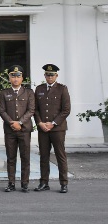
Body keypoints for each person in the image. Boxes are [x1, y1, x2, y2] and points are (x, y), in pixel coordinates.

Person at [34, 64, 71, 193]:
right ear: (44, 76)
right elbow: (35, 109)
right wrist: (40, 123)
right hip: (43, 129)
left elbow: (66, 110)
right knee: (43, 156)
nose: (50, 77)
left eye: (52, 75)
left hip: (57, 129)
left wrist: (53, 123)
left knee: (60, 156)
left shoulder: (62, 89)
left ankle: (64, 183)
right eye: (47, 75)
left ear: (56, 76)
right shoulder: (39, 89)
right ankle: (44, 182)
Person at [0, 65, 35, 193]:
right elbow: (2, 110)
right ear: (9, 78)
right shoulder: (4, 93)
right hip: (10, 130)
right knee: (11, 157)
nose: (15, 79)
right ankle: (11, 183)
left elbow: (31, 110)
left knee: (25, 157)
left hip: (24, 129)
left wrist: (19, 122)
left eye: (18, 76)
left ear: (22, 78)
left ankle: (25, 183)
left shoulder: (29, 92)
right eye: (13, 76)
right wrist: (11, 123)